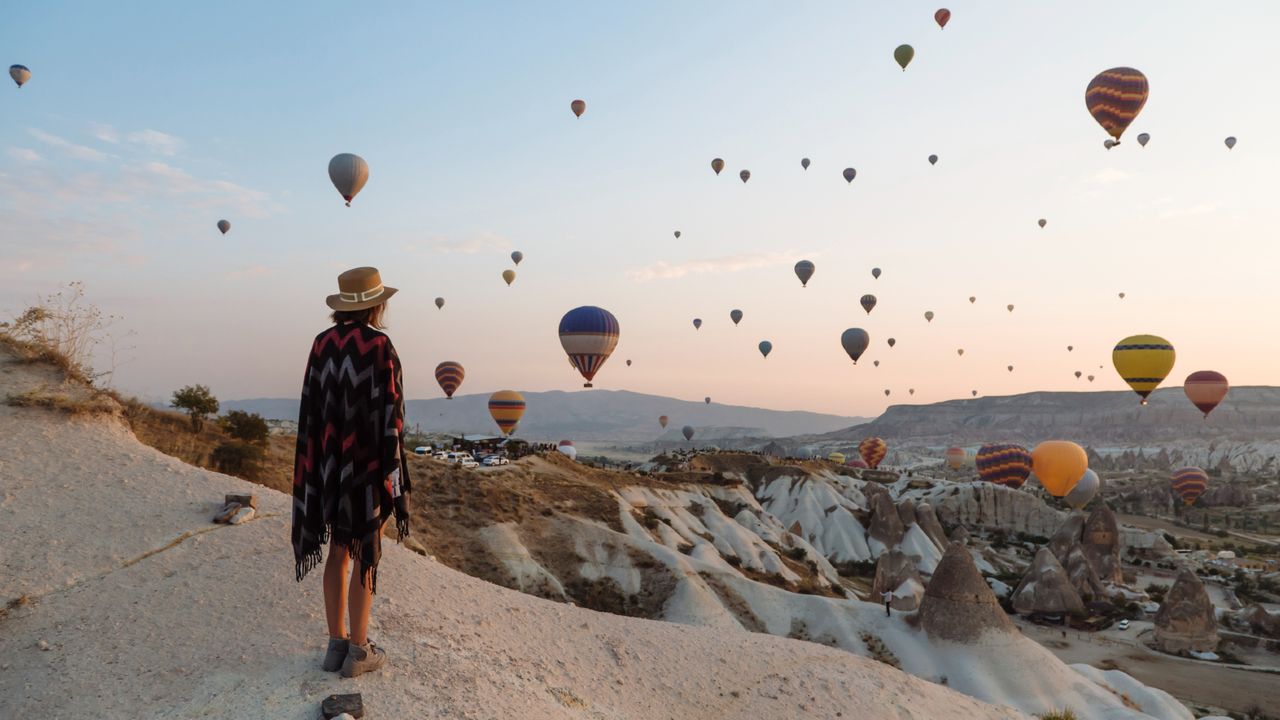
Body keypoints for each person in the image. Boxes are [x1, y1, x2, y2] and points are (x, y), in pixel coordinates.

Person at [292, 267, 412, 679]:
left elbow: (311, 405)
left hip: (327, 463)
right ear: (378, 305)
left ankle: (335, 645)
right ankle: (360, 652)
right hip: (365, 467)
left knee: (336, 551)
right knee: (364, 553)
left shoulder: (321, 343)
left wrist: (317, 460)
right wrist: (393, 477)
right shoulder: (380, 345)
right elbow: (391, 416)